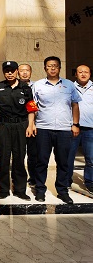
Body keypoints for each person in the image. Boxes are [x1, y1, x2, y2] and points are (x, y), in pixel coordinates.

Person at [32, 56, 81, 204]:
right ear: (45, 68)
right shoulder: (38, 85)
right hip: (43, 128)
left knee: (63, 161)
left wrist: (75, 124)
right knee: (41, 161)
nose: (52, 68)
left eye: (55, 66)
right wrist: (32, 124)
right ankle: (40, 190)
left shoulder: (69, 85)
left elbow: (75, 105)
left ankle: (62, 191)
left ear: (59, 67)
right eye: (49, 66)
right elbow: (32, 106)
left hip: (64, 129)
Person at [0, 61, 35, 201]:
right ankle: (3, 189)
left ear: (17, 72)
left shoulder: (26, 88)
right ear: (4, 72)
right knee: (3, 157)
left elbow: (31, 108)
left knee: (19, 157)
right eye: (6, 71)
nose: (9, 73)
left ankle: (20, 189)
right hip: (3, 125)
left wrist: (30, 126)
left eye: (12, 70)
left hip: (21, 125)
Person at [68, 65, 93, 194]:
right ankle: (66, 181)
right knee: (68, 157)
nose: (83, 74)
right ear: (75, 74)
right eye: (80, 72)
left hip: (90, 128)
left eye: (86, 72)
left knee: (91, 158)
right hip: (73, 127)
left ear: (90, 74)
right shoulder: (69, 87)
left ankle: (90, 182)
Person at [18, 63, 36, 186]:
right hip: (19, 123)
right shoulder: (14, 86)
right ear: (17, 72)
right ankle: (20, 178)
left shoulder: (37, 86)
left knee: (33, 153)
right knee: (19, 153)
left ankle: (33, 177)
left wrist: (32, 123)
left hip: (34, 124)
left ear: (31, 72)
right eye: (22, 71)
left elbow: (34, 106)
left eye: (27, 70)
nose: (24, 73)